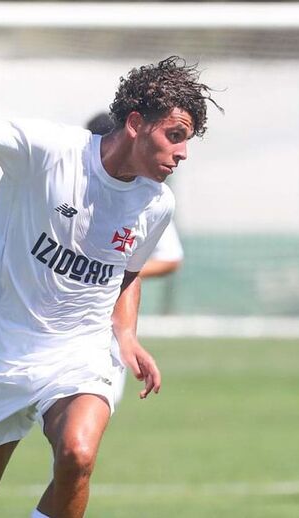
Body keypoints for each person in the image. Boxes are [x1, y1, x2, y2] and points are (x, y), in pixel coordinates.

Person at [0, 56, 216, 518]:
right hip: (8, 351)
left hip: (83, 350)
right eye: (176, 135)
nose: (183, 153)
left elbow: (126, 273)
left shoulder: (154, 203)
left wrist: (126, 335)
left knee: (78, 454)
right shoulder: (51, 150)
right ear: (134, 124)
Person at [85, 112, 186, 407]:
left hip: (103, 330)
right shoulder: (69, 186)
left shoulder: (148, 201)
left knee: (78, 441)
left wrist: (115, 270)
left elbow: (170, 258)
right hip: (39, 330)